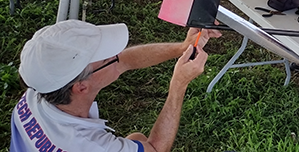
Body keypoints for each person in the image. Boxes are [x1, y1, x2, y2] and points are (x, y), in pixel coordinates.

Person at [10, 20, 221, 152]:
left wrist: (183, 47)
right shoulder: (92, 146)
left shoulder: (37, 91)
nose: (115, 57)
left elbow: (124, 60)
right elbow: (156, 149)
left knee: (136, 140)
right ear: (81, 87)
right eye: (106, 59)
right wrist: (178, 85)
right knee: (140, 142)